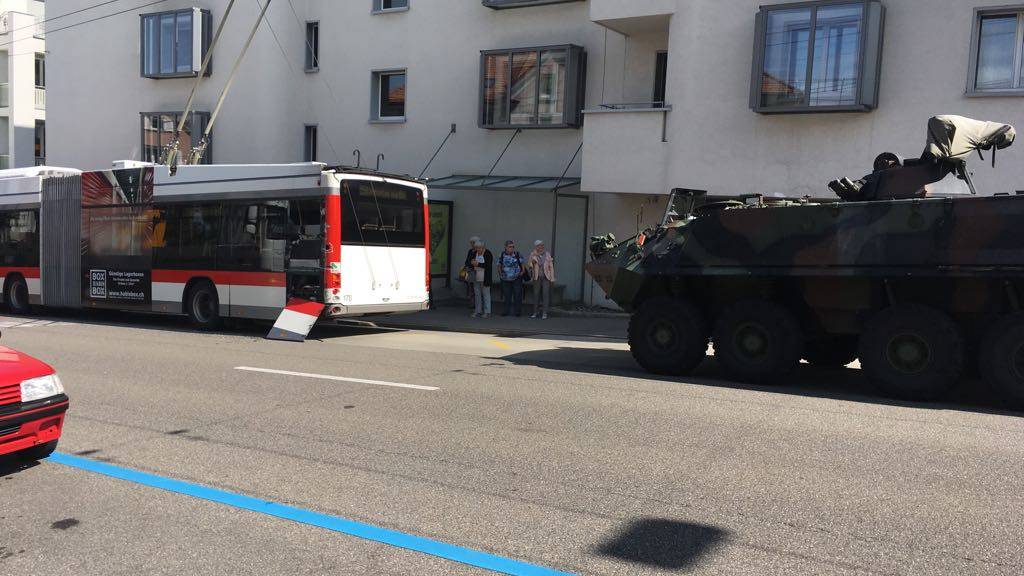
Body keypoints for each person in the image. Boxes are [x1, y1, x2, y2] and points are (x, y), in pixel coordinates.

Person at [528, 240, 555, 319]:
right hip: (536, 277)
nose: (541, 247)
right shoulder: (533, 254)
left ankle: (544, 313)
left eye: (542, 245)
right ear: (536, 247)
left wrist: (552, 278)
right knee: (536, 294)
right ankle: (535, 312)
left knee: (545, 294)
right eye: (539, 245)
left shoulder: (547, 254)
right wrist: (532, 262)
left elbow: (551, 267)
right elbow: (529, 265)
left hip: (546, 277)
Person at [498, 240, 525, 317]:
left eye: (513, 246)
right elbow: (499, 265)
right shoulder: (502, 254)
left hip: (516, 278)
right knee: (507, 295)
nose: (512, 248)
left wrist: (522, 272)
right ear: (506, 247)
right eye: (510, 247)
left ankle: (517, 311)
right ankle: (506, 311)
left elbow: (522, 263)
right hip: (505, 278)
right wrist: (500, 274)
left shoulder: (517, 254)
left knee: (517, 295)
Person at [469, 239, 493, 318]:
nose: (478, 249)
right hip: (476, 276)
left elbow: (488, 265)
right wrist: (472, 262)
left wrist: (478, 264)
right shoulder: (474, 253)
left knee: (486, 294)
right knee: (477, 294)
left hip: (485, 277)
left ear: (483, 247)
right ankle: (478, 311)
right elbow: (469, 262)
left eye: (479, 248)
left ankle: (487, 312)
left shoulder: (488, 253)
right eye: (476, 248)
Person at [462, 236, 480, 309]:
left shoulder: (479, 251)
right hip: (469, 271)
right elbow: (467, 260)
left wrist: (471, 265)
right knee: (471, 288)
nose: (471, 244)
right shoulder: (470, 251)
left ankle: (477, 304)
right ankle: (472, 303)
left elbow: (477, 262)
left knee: (476, 288)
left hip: (475, 271)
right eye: (471, 243)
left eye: (473, 243)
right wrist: (466, 266)